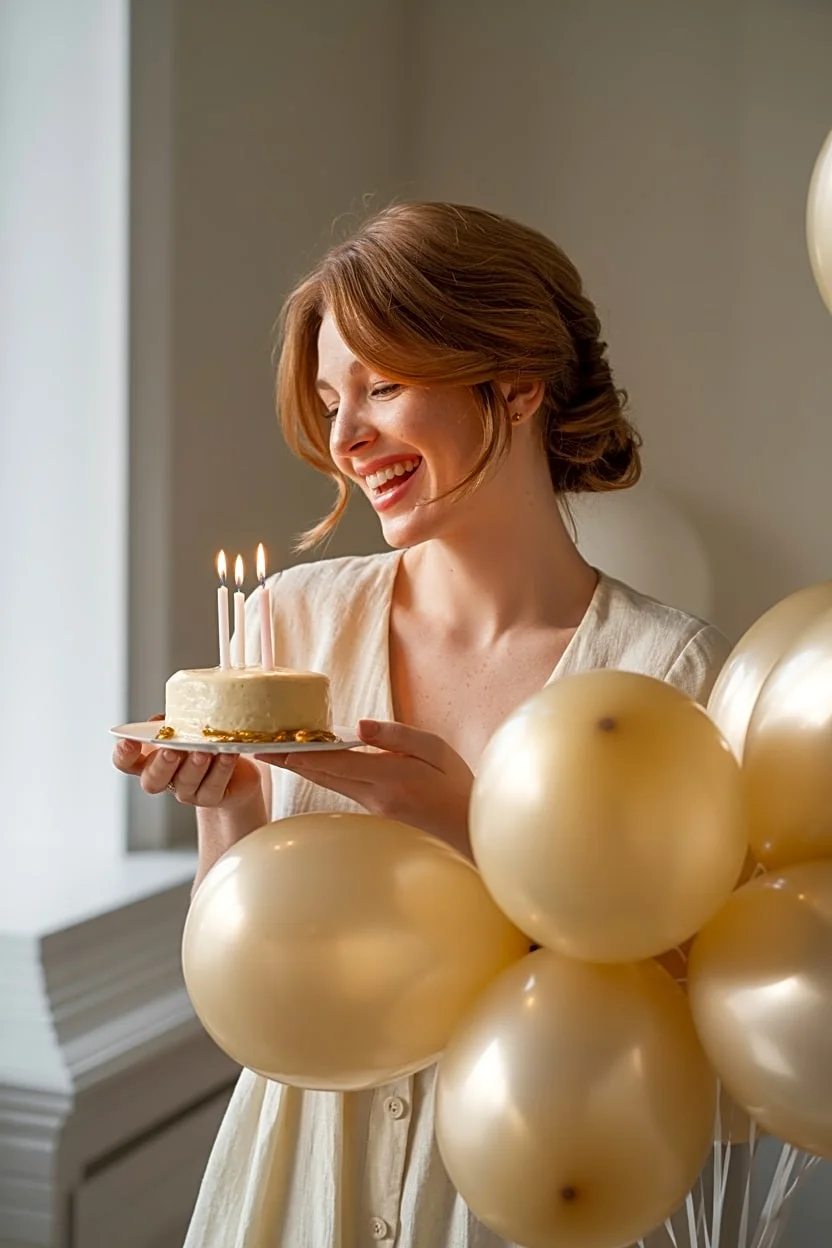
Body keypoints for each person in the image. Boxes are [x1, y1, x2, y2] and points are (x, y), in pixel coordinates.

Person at [113, 202, 732, 1248]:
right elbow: (247, 984)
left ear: (517, 383)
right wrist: (233, 811)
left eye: (382, 388)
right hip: (299, 1178)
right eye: (329, 400)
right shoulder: (288, 625)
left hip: (519, 1192)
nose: (345, 439)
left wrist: (474, 824)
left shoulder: (663, 674)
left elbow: (689, 1007)